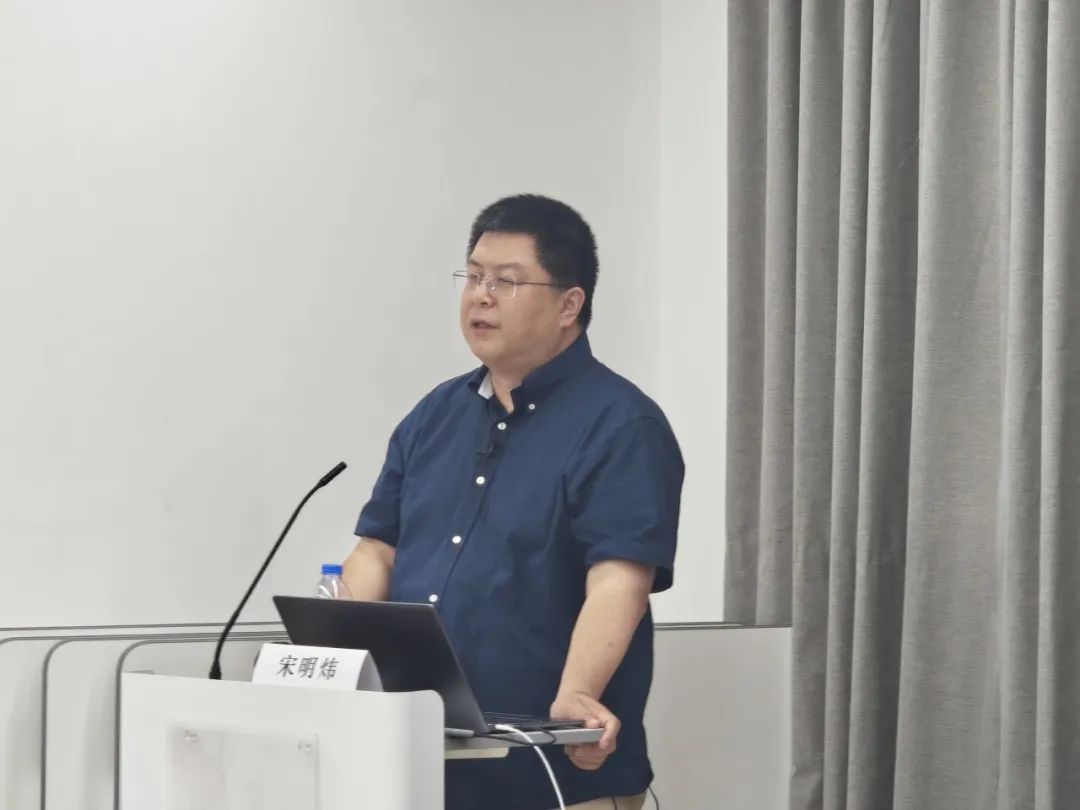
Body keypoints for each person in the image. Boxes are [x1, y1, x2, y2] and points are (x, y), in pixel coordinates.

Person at [342, 194, 683, 810]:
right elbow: (376, 551)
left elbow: (619, 580)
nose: (481, 296)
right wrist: (339, 659)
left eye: (506, 281)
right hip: (424, 767)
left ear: (569, 305)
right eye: (473, 276)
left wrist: (577, 693)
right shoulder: (433, 415)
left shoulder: (621, 424)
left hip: (552, 773)